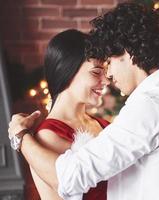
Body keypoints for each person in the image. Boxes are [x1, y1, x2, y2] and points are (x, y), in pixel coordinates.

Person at [8, 2, 159, 200]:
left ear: (128, 54)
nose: (109, 75)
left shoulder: (151, 104)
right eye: (97, 70)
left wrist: (20, 135)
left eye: (110, 61)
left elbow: (70, 177)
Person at [26, 29, 110, 199]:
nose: (106, 80)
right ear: (67, 71)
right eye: (96, 72)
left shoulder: (104, 125)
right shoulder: (48, 136)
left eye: (106, 72)